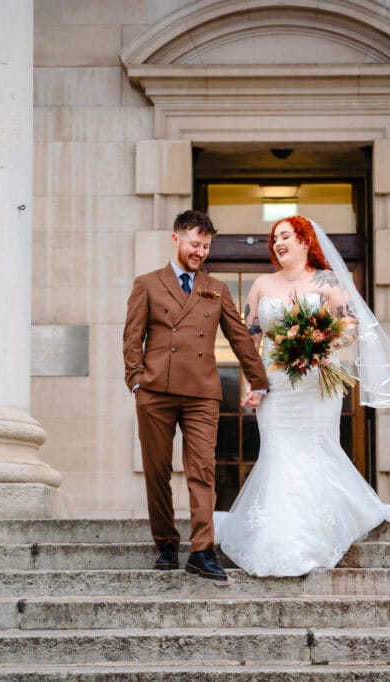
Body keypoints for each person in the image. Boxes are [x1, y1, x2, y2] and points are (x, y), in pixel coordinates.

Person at [214, 215, 390, 577]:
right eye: (274, 239)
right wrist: (249, 385)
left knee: (317, 450)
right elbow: (249, 339)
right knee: (278, 452)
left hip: (317, 383)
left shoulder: (326, 280)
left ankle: (313, 533)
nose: (277, 244)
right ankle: (279, 536)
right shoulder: (261, 284)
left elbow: (350, 325)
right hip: (275, 385)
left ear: (304, 240)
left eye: (284, 236)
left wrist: (319, 341)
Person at [123, 209, 269, 581]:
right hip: (155, 391)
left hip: (202, 394)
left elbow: (239, 338)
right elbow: (132, 337)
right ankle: (167, 543)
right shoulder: (148, 284)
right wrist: (136, 381)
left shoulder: (216, 289)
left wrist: (260, 380)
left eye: (205, 246)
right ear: (176, 240)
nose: (199, 252)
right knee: (156, 471)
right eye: (193, 244)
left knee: (202, 470)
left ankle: (202, 550)